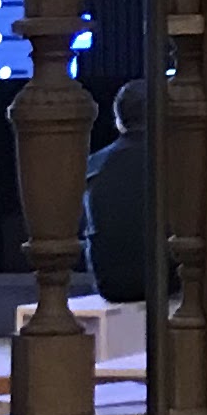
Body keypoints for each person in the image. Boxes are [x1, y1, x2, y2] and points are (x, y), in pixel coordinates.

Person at [82, 78, 152, 306]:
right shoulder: (176, 159)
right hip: (168, 280)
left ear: (118, 120)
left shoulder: (93, 166)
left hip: (111, 284)